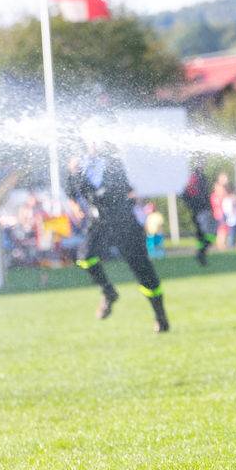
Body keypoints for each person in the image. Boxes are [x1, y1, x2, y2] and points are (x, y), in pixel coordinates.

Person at [66, 142, 170, 333]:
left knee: (143, 271)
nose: (93, 145)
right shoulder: (79, 165)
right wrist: (74, 177)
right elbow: (72, 192)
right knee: (85, 257)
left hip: (124, 223)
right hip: (99, 222)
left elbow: (123, 188)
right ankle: (108, 292)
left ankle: (161, 317)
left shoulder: (113, 162)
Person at [181, 161, 216, 265]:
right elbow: (192, 194)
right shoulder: (197, 178)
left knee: (202, 235)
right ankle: (201, 253)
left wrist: (192, 206)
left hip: (198, 212)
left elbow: (184, 195)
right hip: (202, 212)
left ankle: (201, 254)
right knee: (211, 234)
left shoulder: (193, 178)